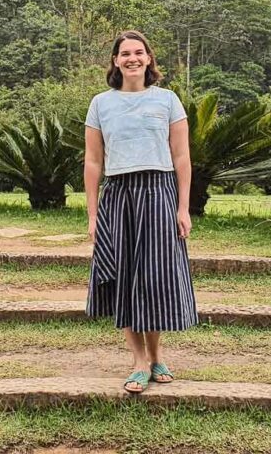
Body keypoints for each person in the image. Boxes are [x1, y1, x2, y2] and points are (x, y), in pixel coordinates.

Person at [84, 29, 197, 394]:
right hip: (118, 195)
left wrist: (183, 207)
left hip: (159, 191)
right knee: (124, 275)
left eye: (138, 52)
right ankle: (138, 361)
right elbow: (93, 161)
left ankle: (157, 354)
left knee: (154, 275)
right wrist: (91, 216)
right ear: (115, 61)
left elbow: (181, 157)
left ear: (149, 59)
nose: (132, 58)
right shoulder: (101, 103)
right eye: (124, 53)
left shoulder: (167, 100)